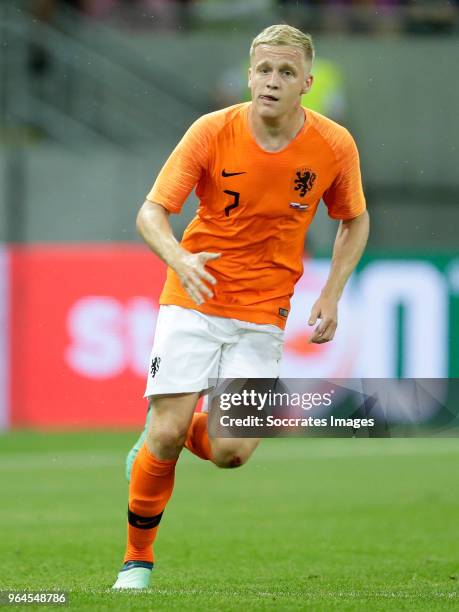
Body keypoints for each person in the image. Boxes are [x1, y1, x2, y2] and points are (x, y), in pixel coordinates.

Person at [113, 23, 369, 589]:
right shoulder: (211, 131)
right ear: (249, 74)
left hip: (264, 313)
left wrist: (331, 293)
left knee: (231, 452)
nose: (272, 81)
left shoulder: (333, 145)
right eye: (263, 70)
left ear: (306, 81)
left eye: (285, 72)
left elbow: (353, 218)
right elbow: (152, 213)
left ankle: (167, 432)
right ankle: (137, 562)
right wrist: (180, 259)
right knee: (165, 432)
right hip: (194, 298)